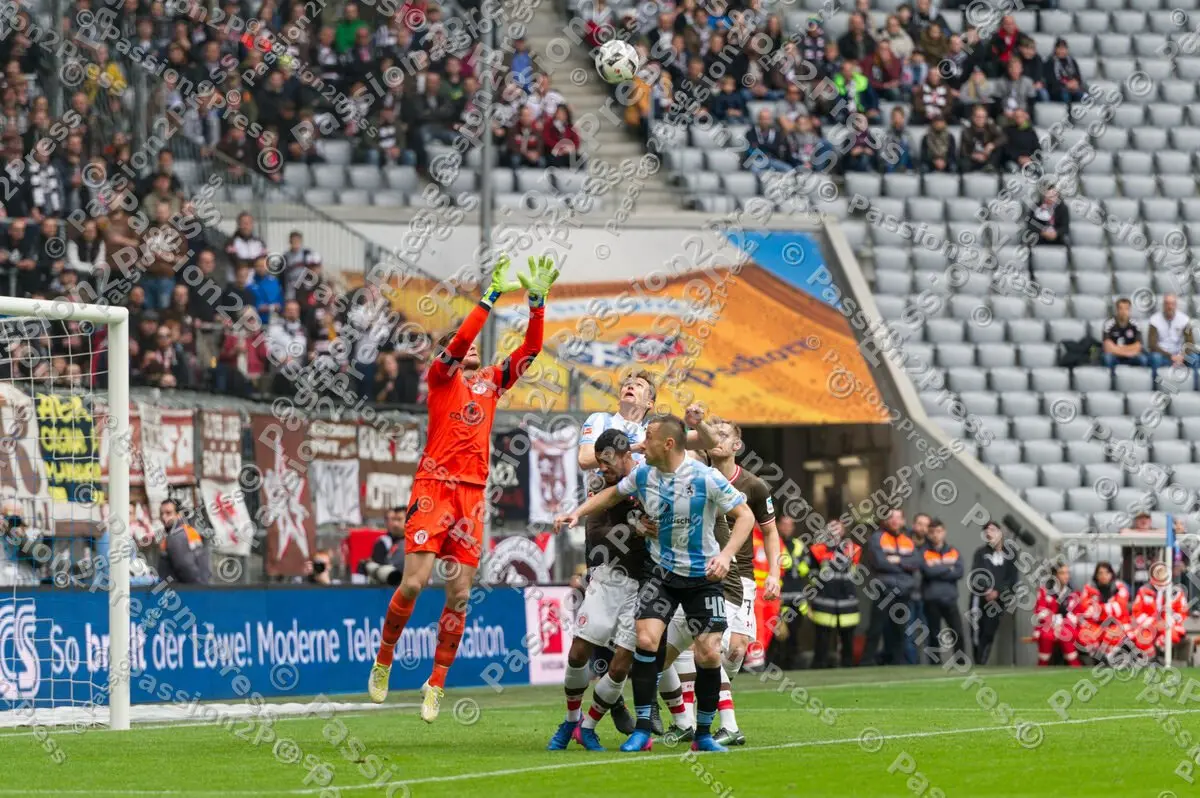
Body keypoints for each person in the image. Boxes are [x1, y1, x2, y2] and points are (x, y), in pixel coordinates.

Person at [369, 254, 558, 721]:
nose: (471, 349)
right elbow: (458, 343)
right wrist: (489, 297)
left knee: (459, 595)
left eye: (474, 347)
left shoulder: (492, 382)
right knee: (414, 583)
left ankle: (435, 683)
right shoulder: (440, 378)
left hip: (471, 496)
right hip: (434, 486)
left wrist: (536, 303)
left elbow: (531, 350)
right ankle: (385, 658)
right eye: (463, 345)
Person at [555, 414, 755, 754]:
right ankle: (643, 729)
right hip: (660, 574)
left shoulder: (705, 477)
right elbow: (611, 496)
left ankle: (703, 733)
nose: (641, 444)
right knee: (647, 642)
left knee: (708, 653)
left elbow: (745, 516)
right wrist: (578, 513)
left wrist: (726, 555)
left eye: (648, 437)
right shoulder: (644, 475)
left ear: (668, 443)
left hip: (701, 576)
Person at [658, 419, 781, 747]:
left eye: (724, 435)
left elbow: (770, 532)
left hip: (739, 575)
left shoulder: (754, 486)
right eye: (712, 434)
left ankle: (706, 708)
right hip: (700, 576)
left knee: (734, 652)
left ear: (737, 446)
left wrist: (773, 573)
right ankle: (695, 719)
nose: (716, 439)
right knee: (701, 646)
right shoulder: (695, 477)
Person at [547, 429, 647, 752]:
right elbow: (598, 535)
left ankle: (587, 728)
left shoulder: (650, 478)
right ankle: (570, 721)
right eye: (599, 461)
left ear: (626, 455)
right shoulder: (600, 486)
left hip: (646, 584)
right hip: (609, 578)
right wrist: (634, 529)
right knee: (578, 653)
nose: (601, 468)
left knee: (621, 666)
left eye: (607, 461)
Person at [863, 508, 920, 665]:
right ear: (886, 521)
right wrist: (904, 565)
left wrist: (897, 560)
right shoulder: (877, 538)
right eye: (891, 517)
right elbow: (880, 563)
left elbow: (917, 562)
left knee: (900, 629)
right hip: (884, 589)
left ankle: (897, 661)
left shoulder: (908, 540)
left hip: (903, 591)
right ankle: (866, 661)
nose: (895, 521)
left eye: (898, 518)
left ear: (903, 521)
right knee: (876, 627)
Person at [806, 518, 861, 668]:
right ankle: (819, 666)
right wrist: (819, 588)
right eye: (832, 527)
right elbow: (812, 573)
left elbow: (855, 572)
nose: (835, 531)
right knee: (822, 636)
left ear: (844, 531)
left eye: (838, 527)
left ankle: (848, 666)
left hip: (847, 600)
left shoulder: (853, 549)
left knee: (847, 637)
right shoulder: (817, 549)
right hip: (824, 599)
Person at [968, 521, 1017, 665]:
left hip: (998, 601)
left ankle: (982, 661)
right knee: (976, 630)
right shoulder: (980, 553)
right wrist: (986, 589)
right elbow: (976, 574)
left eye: (992, 530)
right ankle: (978, 660)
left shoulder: (1010, 555)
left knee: (989, 631)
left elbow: (1012, 579)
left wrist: (998, 592)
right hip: (980, 598)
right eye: (986, 531)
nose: (989, 533)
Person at [920, 519, 965, 664]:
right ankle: (935, 663)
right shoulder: (923, 552)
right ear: (928, 534)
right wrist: (948, 567)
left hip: (950, 598)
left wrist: (937, 566)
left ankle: (960, 661)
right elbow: (927, 571)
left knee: (957, 632)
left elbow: (959, 572)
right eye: (932, 532)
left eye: (938, 531)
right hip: (931, 599)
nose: (935, 535)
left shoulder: (953, 551)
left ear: (944, 532)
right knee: (934, 633)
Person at [1130, 562, 1187, 662]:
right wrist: (1154, 623)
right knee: (1142, 639)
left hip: (1170, 627)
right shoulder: (1143, 591)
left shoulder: (1177, 593)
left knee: (1169, 637)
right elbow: (1137, 613)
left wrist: (1166, 622)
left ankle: (1162, 660)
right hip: (1148, 627)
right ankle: (1151, 661)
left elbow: (1181, 614)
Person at [1077, 561, 1131, 662]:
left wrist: (1099, 609)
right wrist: (1108, 609)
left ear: (1111, 574)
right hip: (1096, 625)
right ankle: (1099, 658)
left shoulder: (1120, 587)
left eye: (1107, 572)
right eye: (1100, 573)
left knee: (1115, 634)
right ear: (1096, 575)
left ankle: (1108, 658)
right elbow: (1086, 610)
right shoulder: (1089, 587)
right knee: (1084, 633)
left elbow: (1119, 609)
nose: (1104, 576)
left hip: (1115, 624)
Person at [1033, 562, 1081, 667]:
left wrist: (1062, 623)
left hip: (1068, 626)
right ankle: (1042, 665)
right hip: (1048, 626)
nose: (1066, 576)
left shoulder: (1074, 593)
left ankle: (1074, 665)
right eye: (1062, 573)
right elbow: (1040, 611)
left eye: (1067, 573)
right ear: (1054, 576)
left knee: (1065, 634)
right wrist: (1055, 622)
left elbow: (1076, 614)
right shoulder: (1044, 591)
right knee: (1046, 636)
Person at [157, 499, 210, 585]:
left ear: (179, 515)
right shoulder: (188, 531)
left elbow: (184, 567)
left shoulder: (176, 537)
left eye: (168, 513)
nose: (164, 517)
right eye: (161, 513)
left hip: (185, 589)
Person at [1147, 294, 1198, 372]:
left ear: (1176, 305)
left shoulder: (1185, 320)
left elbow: (1190, 342)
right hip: (1163, 356)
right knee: (1155, 358)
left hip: (1181, 356)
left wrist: (1181, 356)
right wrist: (1171, 356)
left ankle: (1196, 380)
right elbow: (1152, 345)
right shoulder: (1154, 320)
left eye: (1172, 304)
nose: (1170, 307)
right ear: (1163, 305)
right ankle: (1156, 379)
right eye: (1167, 303)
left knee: (1195, 358)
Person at [1101, 298, 1148, 368]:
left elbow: (1138, 347)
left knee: (1142, 359)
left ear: (1130, 310)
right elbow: (1107, 348)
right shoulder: (1109, 323)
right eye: (1121, 308)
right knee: (1107, 357)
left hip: (1131, 357)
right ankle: (1112, 374)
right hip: (1115, 356)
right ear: (1117, 310)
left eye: (1126, 309)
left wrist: (1116, 348)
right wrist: (1127, 352)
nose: (1124, 311)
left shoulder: (1135, 324)